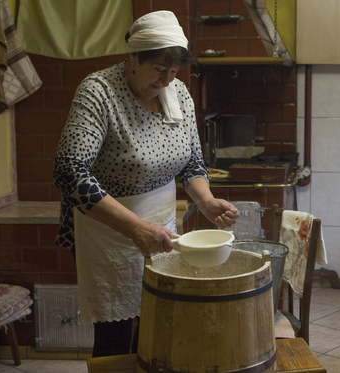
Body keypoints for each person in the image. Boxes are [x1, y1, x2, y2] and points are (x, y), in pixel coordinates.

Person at [52, 11, 239, 357]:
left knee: (157, 324)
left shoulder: (178, 92)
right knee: (117, 338)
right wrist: (135, 227)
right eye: (159, 69)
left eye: (174, 71)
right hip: (109, 229)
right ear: (134, 57)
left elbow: (191, 162)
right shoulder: (99, 93)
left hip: (161, 225)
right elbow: (69, 171)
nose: (167, 80)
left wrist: (206, 201)